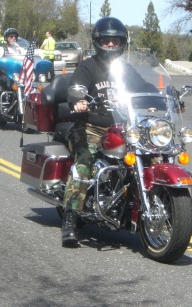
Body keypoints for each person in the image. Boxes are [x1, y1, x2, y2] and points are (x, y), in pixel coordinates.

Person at [60, 17, 163, 247]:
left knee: (152, 156)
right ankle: (70, 217)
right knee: (85, 162)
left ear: (122, 43)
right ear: (98, 42)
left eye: (114, 41)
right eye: (105, 41)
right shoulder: (88, 66)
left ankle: (162, 209)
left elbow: (143, 87)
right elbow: (76, 87)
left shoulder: (125, 70)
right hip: (90, 126)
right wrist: (78, 100)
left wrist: (158, 99)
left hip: (123, 127)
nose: (109, 45)